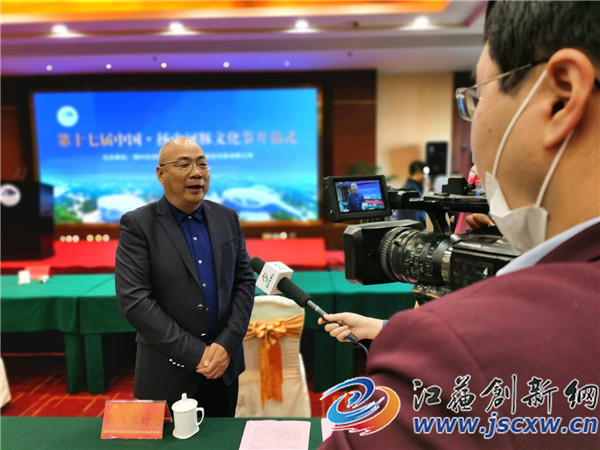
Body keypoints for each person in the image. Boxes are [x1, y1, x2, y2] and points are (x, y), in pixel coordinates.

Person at [320, 2, 599, 448]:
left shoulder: (455, 348)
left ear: (561, 97)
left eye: (478, 97)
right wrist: (388, 330)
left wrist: (426, 338)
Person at [115, 137, 255, 417]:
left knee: (222, 436)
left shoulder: (227, 218)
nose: (196, 173)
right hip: (167, 369)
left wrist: (226, 344)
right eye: (184, 165)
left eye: (202, 164)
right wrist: (196, 354)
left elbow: (244, 282)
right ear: (160, 174)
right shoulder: (138, 224)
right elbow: (135, 300)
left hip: (222, 367)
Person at [391, 160, 427, 225]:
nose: (425, 177)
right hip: (411, 227)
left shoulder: (412, 187)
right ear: (418, 172)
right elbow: (413, 217)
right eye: (424, 173)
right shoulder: (411, 190)